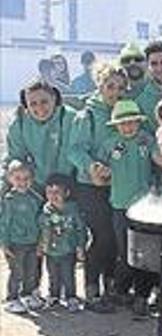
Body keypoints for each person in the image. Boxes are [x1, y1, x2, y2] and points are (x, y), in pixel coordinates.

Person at [68, 63, 129, 313]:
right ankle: (92, 291)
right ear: (99, 85)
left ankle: (110, 289)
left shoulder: (124, 113)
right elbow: (74, 149)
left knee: (114, 239)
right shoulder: (88, 116)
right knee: (101, 237)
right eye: (110, 86)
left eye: (120, 87)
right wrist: (92, 167)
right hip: (90, 187)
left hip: (116, 187)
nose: (115, 92)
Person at [100, 99, 159, 316]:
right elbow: (99, 169)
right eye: (123, 123)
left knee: (145, 253)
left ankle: (142, 295)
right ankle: (120, 290)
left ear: (139, 122)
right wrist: (100, 171)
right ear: (116, 125)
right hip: (120, 206)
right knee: (125, 252)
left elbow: (157, 158)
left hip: (144, 207)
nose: (128, 127)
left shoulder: (146, 139)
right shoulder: (109, 144)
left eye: (132, 122)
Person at [5, 79, 77, 192]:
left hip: (68, 184)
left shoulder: (70, 118)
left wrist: (56, 189)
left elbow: (68, 158)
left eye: (44, 101)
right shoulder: (19, 122)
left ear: (54, 98)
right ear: (26, 105)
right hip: (34, 185)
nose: (39, 108)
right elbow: (14, 156)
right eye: (33, 104)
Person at [38, 173, 87, 311]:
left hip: (67, 249)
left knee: (68, 275)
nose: (53, 196)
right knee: (53, 274)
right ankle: (54, 295)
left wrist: (80, 246)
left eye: (57, 192)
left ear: (66, 193)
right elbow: (41, 229)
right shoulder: (45, 211)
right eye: (49, 192)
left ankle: (71, 297)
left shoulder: (73, 210)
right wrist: (40, 245)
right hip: (50, 250)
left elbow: (80, 229)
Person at [0, 161, 43, 314]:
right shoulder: (9, 200)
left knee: (31, 271)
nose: (22, 182)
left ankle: (27, 294)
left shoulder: (36, 199)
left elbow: (40, 221)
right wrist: (4, 244)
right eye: (18, 178)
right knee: (17, 271)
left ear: (31, 180)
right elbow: (4, 223)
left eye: (26, 179)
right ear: (10, 178)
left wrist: (40, 241)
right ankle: (12, 298)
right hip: (15, 243)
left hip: (32, 241)